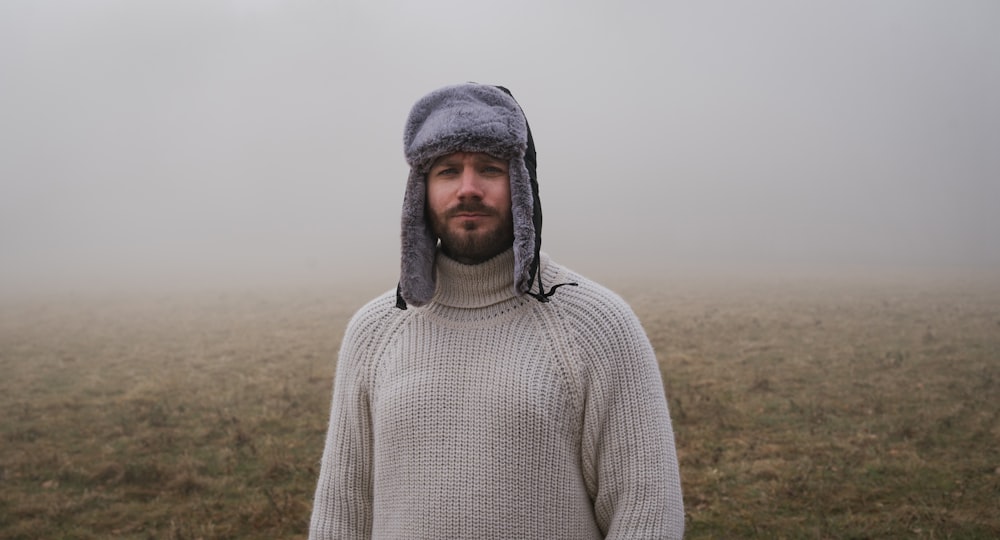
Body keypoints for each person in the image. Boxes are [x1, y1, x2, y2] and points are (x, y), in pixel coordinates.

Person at [309, 83, 684, 539]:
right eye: (448, 170)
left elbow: (646, 509)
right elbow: (341, 511)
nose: (468, 189)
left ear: (522, 184)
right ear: (420, 192)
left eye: (489, 168)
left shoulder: (596, 325)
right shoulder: (375, 331)